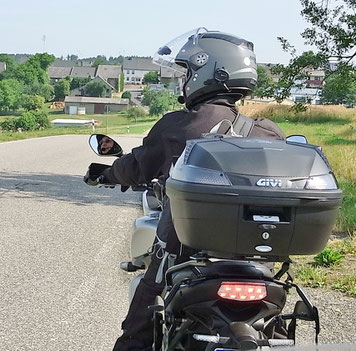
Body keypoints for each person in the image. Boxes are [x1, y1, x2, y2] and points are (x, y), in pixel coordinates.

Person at [84, 28, 286, 350]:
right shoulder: (268, 133)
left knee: (144, 307)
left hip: (184, 251)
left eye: (187, 72)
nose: (183, 79)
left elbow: (136, 166)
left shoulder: (177, 125)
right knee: (274, 318)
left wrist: (107, 175)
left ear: (207, 72)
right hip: (255, 259)